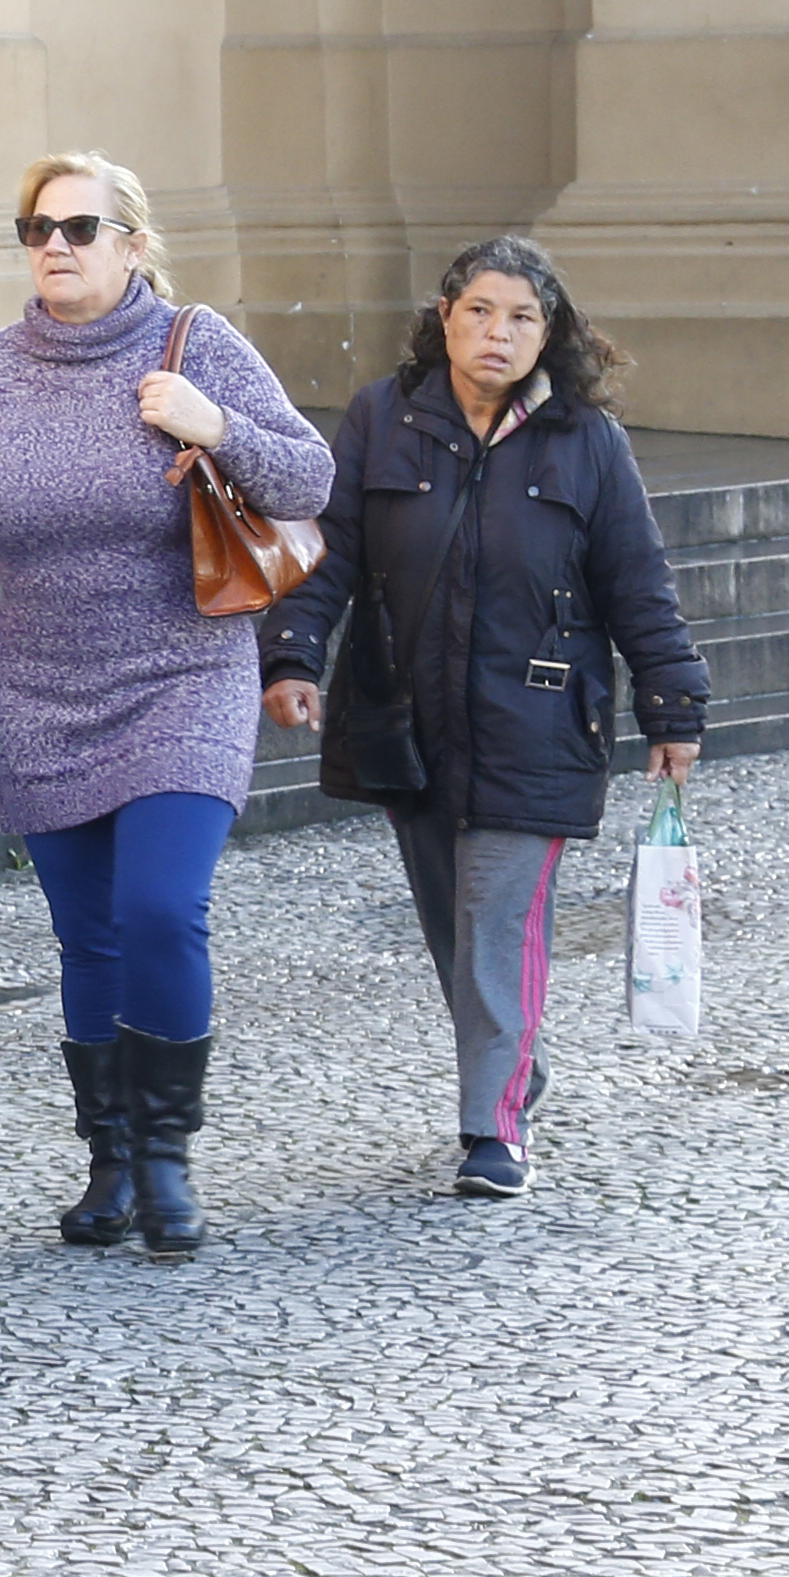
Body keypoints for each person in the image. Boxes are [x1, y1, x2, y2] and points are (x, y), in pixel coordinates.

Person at [0, 151, 332, 1262]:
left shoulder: (196, 346)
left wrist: (214, 427)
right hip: (42, 690)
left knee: (161, 909)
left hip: (185, 678)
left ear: (134, 244)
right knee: (88, 939)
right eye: (38, 229)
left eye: (81, 227)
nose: (56, 247)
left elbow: (310, 481)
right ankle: (110, 1156)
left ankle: (166, 1153)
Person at [257, 236, 710, 1200]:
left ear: (550, 335)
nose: (498, 333)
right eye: (480, 311)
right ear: (446, 317)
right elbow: (331, 550)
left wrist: (673, 706)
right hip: (406, 718)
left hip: (538, 721)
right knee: (454, 932)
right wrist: (293, 653)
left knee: (497, 921)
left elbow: (638, 582)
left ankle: (494, 1129)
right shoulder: (383, 417)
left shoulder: (588, 441)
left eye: (522, 318)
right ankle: (511, 1068)